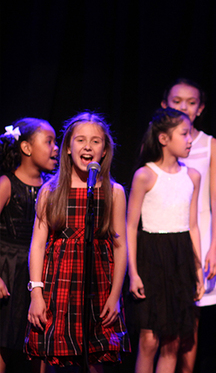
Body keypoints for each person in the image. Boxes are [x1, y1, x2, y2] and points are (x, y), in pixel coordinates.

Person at [25, 112, 130, 370]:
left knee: (95, 358)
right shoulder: (50, 190)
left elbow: (120, 245)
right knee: (52, 355)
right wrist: (36, 293)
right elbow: (37, 245)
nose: (88, 146)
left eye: (96, 141)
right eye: (81, 140)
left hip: (98, 286)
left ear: (104, 150)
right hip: (58, 286)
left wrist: (115, 295)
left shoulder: (113, 192)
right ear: (68, 148)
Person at [127, 107, 204, 373]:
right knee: (149, 341)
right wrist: (133, 273)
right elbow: (130, 226)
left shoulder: (192, 176)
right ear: (163, 139)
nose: (189, 140)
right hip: (151, 257)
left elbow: (192, 225)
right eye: (184, 134)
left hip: (180, 258)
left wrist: (198, 270)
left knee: (173, 342)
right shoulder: (145, 176)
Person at [161, 78, 216, 373]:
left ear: (200, 108)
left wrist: (214, 248)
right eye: (177, 101)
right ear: (165, 104)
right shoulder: (157, 142)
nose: (183, 107)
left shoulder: (210, 145)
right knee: (160, 322)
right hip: (163, 236)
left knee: (191, 323)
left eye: (190, 102)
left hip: (198, 239)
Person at [0, 119, 57, 373]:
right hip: (9, 272)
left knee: (39, 345)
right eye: (49, 142)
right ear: (26, 147)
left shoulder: (53, 189)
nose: (56, 148)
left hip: (39, 273)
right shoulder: (6, 184)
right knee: (4, 340)